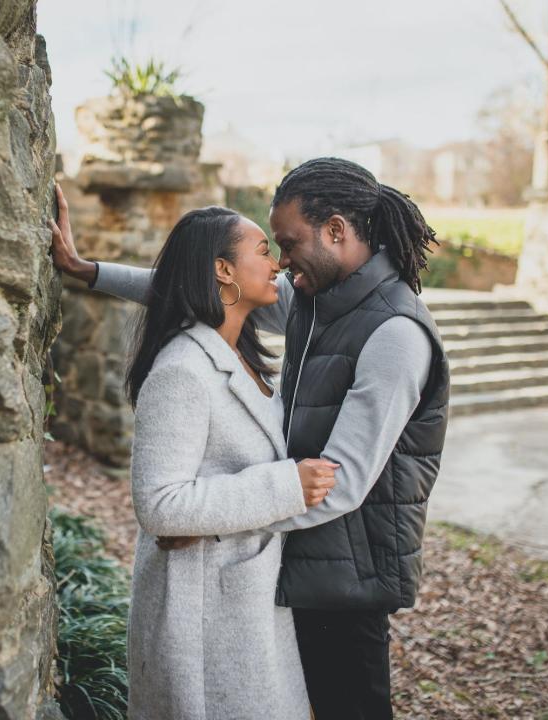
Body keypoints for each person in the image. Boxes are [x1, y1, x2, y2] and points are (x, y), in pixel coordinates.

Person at [53, 157, 451, 720]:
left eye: (287, 243)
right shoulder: (314, 302)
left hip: (346, 577)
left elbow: (342, 485)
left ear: (335, 231)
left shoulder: (395, 335)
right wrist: (87, 270)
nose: (283, 263)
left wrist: (208, 519)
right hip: (289, 557)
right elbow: (197, 287)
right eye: (272, 250)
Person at [51, 199, 337, 719]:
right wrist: (286, 485)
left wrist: (87, 269)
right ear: (223, 270)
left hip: (244, 601)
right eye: (262, 249)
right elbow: (160, 504)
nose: (277, 263)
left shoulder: (242, 356)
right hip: (201, 612)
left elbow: (173, 284)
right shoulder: (183, 371)